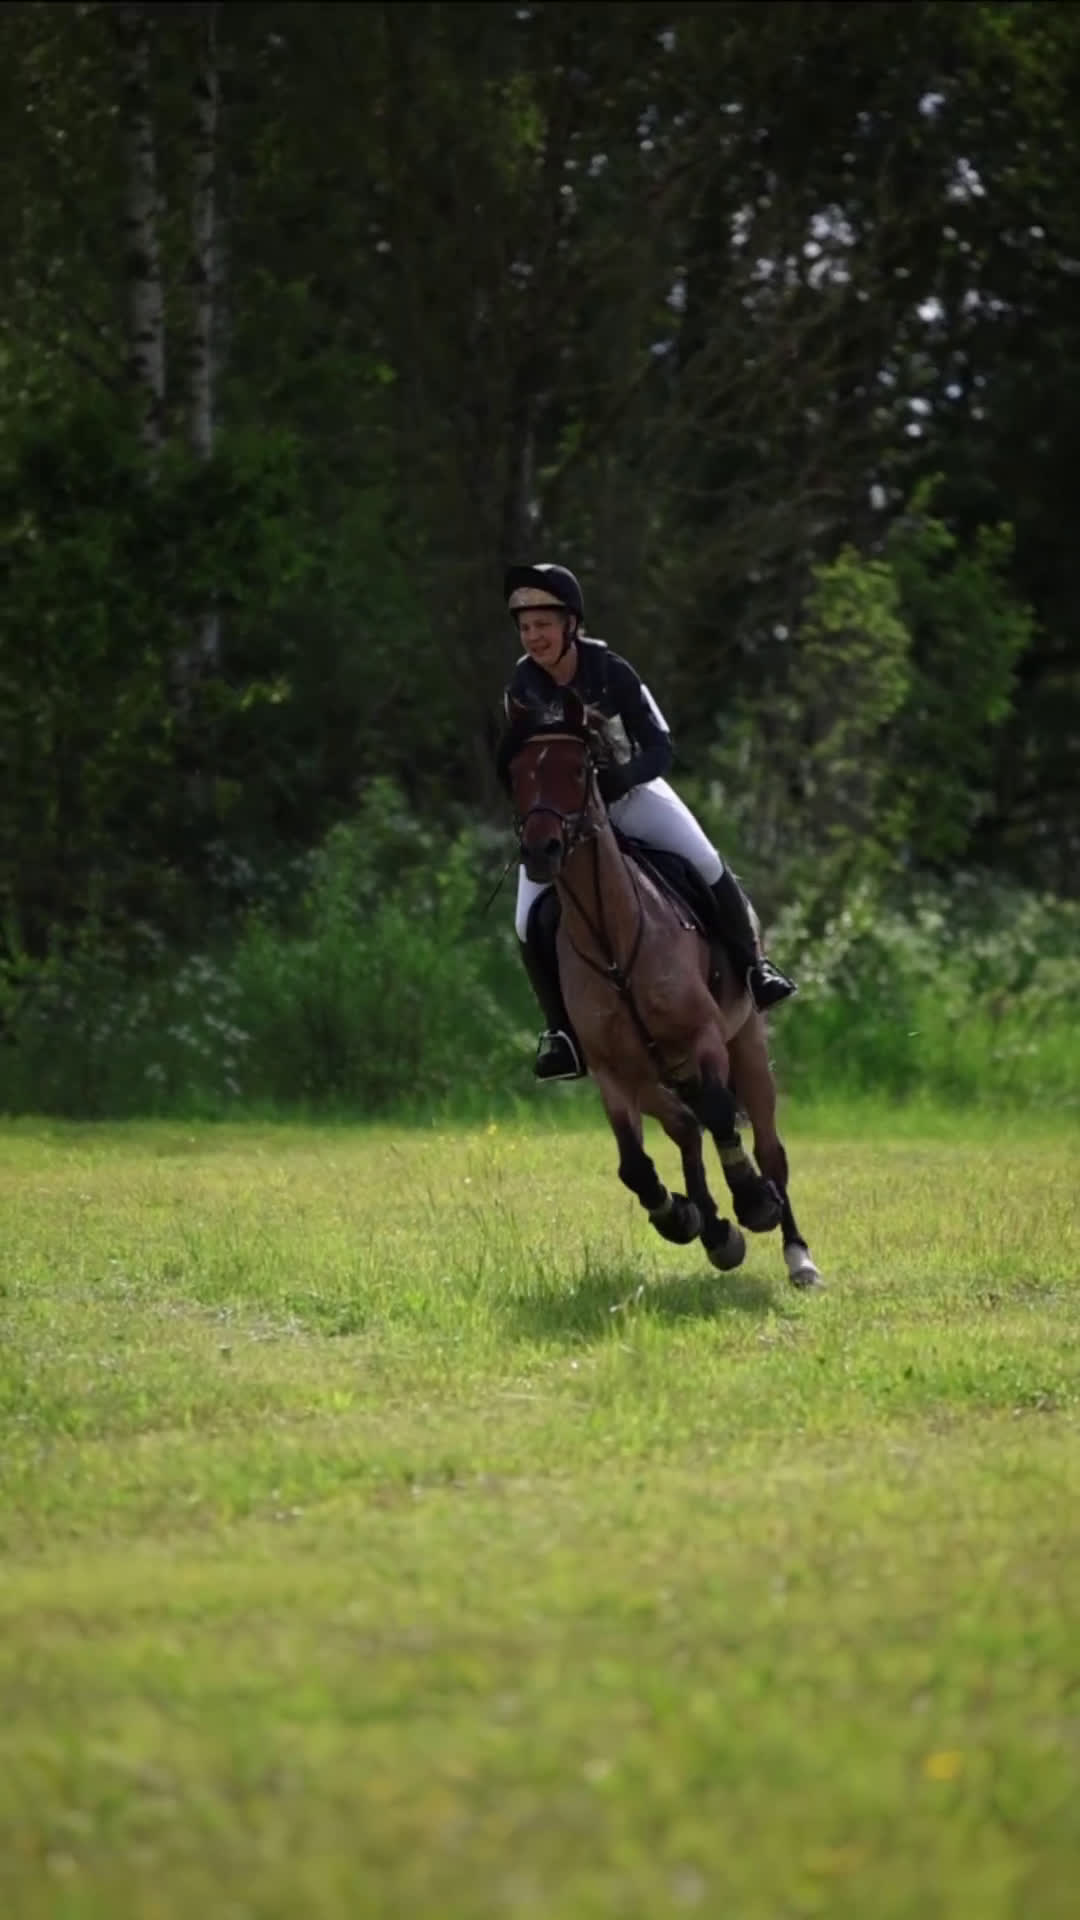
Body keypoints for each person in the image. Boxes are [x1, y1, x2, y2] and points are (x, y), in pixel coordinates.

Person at [499, 561, 797, 1082]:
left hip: (631, 794)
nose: (533, 637)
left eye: (543, 624)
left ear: (570, 624)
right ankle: (561, 1032)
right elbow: (512, 761)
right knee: (527, 919)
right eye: (525, 628)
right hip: (566, 818)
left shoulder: (611, 671)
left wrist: (620, 779)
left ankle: (755, 969)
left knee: (704, 862)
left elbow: (659, 746)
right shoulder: (522, 686)